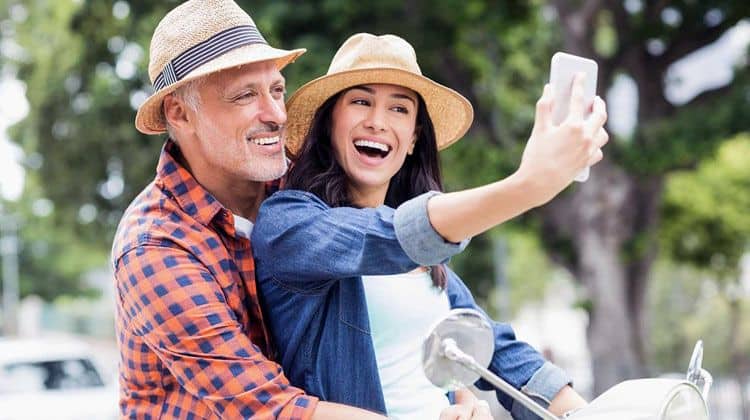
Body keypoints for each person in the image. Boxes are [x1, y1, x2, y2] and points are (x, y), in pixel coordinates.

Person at [111, 1, 490, 419]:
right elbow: (269, 408)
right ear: (180, 113)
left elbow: (423, 292)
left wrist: (459, 394)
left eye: (276, 90)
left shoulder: (300, 188)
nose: (276, 114)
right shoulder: (154, 244)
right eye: (244, 96)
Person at [252, 33, 608, 419]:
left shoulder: (428, 263)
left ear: (413, 139)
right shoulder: (288, 223)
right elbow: (392, 237)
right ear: (329, 123)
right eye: (360, 101)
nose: (377, 122)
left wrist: (590, 413)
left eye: (399, 109)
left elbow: (494, 348)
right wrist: (526, 187)